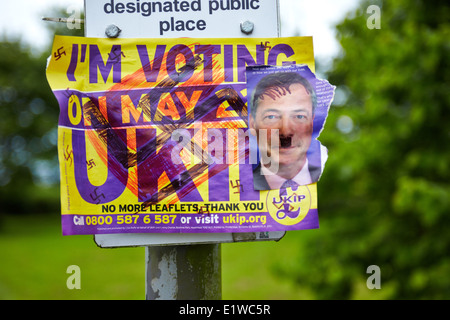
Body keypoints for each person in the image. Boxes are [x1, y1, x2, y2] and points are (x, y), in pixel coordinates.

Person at [249, 72, 321, 190]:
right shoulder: (233, 190)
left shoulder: (334, 184)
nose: (285, 132)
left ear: (312, 123)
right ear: (253, 124)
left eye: (299, 116)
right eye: (271, 117)